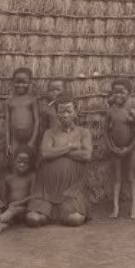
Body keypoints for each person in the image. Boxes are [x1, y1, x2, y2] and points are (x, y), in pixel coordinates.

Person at [26, 94, 93, 227]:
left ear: (75, 112)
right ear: (57, 113)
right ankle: (49, 212)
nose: (65, 115)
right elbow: (45, 153)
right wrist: (70, 147)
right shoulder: (49, 133)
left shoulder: (83, 132)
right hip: (46, 189)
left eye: (69, 111)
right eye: (61, 111)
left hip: (71, 189)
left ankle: (57, 212)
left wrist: (57, 151)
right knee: (32, 219)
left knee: (74, 219)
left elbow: (86, 155)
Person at [104, 79, 135, 219]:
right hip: (115, 150)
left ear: (129, 94)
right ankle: (115, 208)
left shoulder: (131, 112)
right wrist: (112, 148)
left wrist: (129, 149)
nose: (118, 95)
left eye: (122, 92)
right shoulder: (110, 112)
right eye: (115, 92)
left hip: (131, 150)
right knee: (117, 178)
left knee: (132, 177)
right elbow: (105, 133)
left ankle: (134, 208)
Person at [0, 145, 36, 233]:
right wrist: (3, 205)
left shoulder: (31, 177)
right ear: (14, 161)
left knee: (13, 210)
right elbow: (4, 196)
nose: (22, 164)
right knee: (8, 220)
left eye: (26, 162)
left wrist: (17, 203)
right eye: (19, 161)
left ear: (31, 163)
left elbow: (33, 196)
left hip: (24, 210)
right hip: (10, 210)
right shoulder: (9, 178)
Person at [5, 67, 39, 164]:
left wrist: (32, 141)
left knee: (30, 160)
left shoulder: (31, 100)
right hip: (15, 139)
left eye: (24, 82)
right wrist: (8, 143)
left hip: (30, 137)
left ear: (30, 83)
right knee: (13, 159)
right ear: (13, 82)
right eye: (17, 82)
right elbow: (7, 124)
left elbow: (36, 121)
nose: (20, 85)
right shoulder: (9, 101)